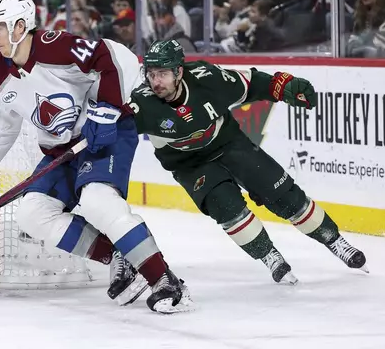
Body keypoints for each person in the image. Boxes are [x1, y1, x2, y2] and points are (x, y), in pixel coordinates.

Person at [0, 0, 191, 314]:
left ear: (19, 27)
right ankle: (117, 254)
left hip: (102, 136)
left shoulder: (56, 47)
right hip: (61, 151)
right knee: (33, 214)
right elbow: (0, 130)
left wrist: (107, 109)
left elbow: (114, 57)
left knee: (98, 201)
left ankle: (165, 280)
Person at [127, 39, 368, 284]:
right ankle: (269, 255)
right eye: (151, 74)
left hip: (229, 144)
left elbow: (250, 83)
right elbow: (115, 131)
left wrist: (282, 87)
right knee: (226, 206)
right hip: (190, 165)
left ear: (179, 71)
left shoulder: (207, 78)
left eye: (163, 74)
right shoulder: (141, 103)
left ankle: (336, 241)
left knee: (283, 194)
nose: (156, 82)